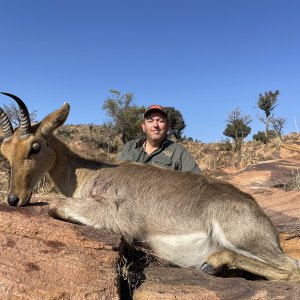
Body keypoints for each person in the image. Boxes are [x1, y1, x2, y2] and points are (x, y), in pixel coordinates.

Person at [117, 104, 201, 174]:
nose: (155, 125)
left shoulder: (179, 152)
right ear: (143, 127)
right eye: (150, 121)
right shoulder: (129, 147)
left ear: (167, 126)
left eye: (160, 121)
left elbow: (198, 181)